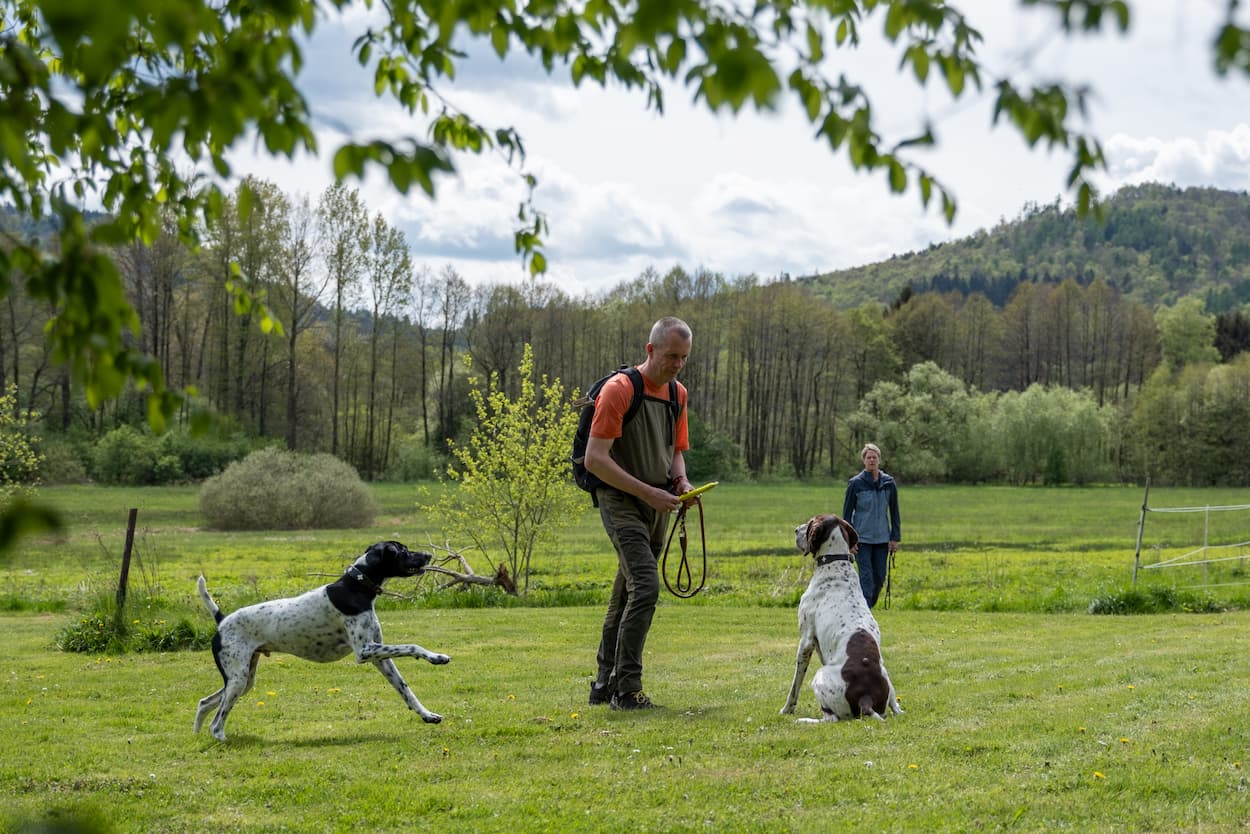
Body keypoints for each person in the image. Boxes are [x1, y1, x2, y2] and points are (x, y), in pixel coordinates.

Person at [584, 316, 693, 710]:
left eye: (683, 358)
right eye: (671, 356)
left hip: (659, 502)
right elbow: (595, 459)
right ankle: (626, 689)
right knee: (645, 586)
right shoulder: (619, 390)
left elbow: (675, 450)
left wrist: (681, 483)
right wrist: (648, 493)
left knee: (626, 592)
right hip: (622, 501)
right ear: (650, 350)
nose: (677, 365)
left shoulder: (677, 395)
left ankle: (602, 683)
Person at [841, 442, 901, 609]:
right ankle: (864, 612)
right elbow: (846, 515)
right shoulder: (855, 484)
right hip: (862, 540)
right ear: (864, 461)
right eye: (869, 457)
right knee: (866, 578)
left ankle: (866, 607)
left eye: (875, 457)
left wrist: (895, 537)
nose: (872, 460)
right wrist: (849, 540)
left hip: (882, 539)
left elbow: (894, 511)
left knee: (879, 578)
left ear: (879, 460)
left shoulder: (889, 483)